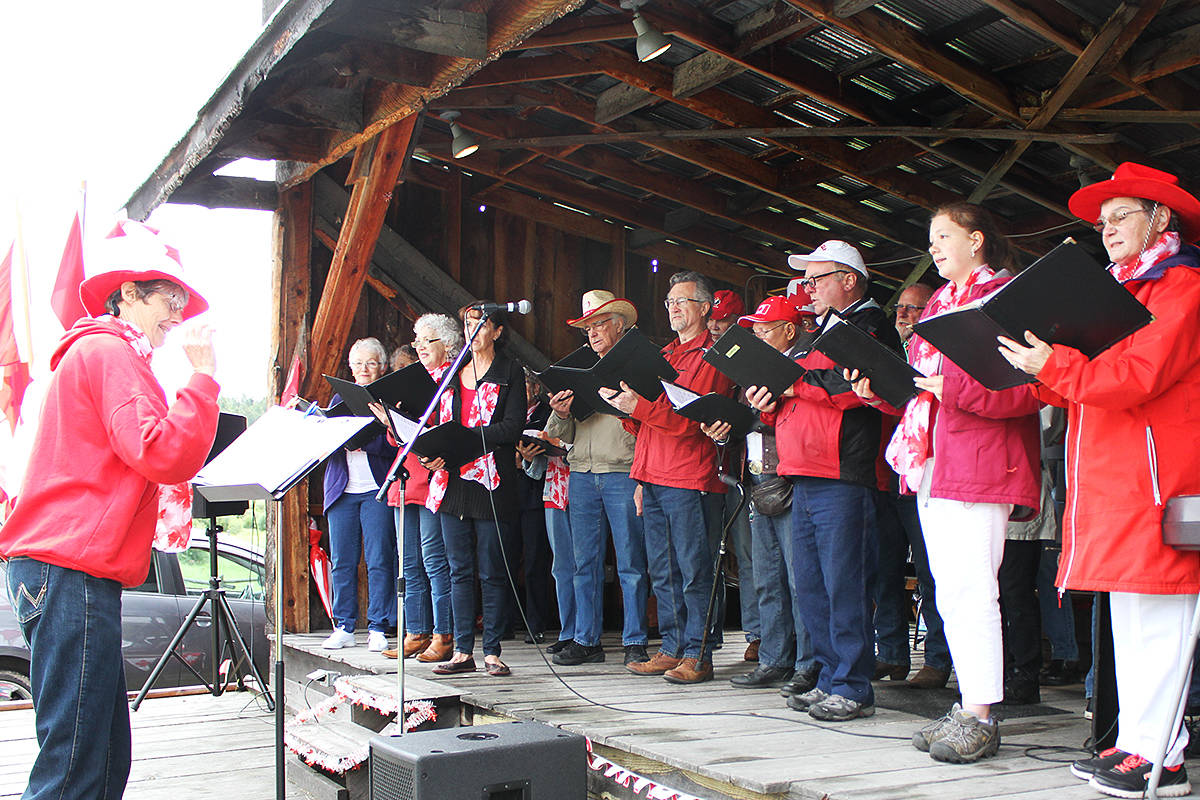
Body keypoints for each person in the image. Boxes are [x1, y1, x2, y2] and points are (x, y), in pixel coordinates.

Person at [999, 162, 1200, 797]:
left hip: (1161, 483)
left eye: (1122, 217)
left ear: (1160, 219)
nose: (1107, 230)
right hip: (1119, 481)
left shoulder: (1183, 286)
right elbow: (1089, 380)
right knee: (1134, 621)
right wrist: (1035, 367)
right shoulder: (1122, 291)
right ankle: (1141, 742)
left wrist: (1052, 363)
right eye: (1101, 221)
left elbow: (1136, 376)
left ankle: (1160, 754)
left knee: (1161, 621)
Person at [0, 219, 219, 800]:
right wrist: (203, 380)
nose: (177, 312)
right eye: (168, 298)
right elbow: (160, 450)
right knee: (76, 763)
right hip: (67, 567)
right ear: (128, 294)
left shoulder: (99, 351)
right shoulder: (109, 350)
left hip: (62, 567)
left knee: (98, 756)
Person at [850, 205, 1041, 762]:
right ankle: (967, 704)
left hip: (982, 460)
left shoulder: (1004, 298)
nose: (932, 247)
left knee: (972, 589)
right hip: (934, 457)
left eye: (943, 236)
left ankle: (981, 713)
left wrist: (946, 387)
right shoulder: (939, 301)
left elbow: (1026, 390)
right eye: (930, 238)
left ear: (976, 239)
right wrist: (880, 390)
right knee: (952, 590)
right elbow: (921, 387)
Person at [746, 240, 897, 722]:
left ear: (849, 279)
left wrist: (792, 387)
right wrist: (771, 401)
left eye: (817, 278)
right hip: (803, 471)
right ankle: (831, 676)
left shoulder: (870, 324)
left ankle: (853, 684)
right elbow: (812, 388)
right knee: (810, 583)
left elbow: (860, 387)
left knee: (842, 581)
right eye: (807, 280)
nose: (807, 288)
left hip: (843, 472)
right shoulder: (821, 331)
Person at [610, 271, 734, 684]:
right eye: (669, 302)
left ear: (705, 307)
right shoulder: (663, 354)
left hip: (691, 475)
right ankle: (671, 646)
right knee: (662, 570)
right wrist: (640, 475)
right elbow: (649, 425)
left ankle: (698, 653)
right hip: (656, 474)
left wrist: (639, 408)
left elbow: (690, 421)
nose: (674, 307)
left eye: (682, 300)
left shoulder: (712, 355)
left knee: (694, 569)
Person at [704, 295, 819, 693]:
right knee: (768, 578)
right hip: (756, 479)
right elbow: (749, 422)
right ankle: (774, 658)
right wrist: (725, 428)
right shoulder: (753, 369)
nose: (755, 337)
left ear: (789, 330)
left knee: (798, 577)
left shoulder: (803, 365)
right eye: (753, 331)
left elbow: (799, 419)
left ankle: (808, 664)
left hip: (791, 480)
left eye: (763, 330)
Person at [544, 290, 650, 667]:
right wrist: (560, 412)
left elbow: (649, 424)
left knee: (630, 563)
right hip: (582, 473)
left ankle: (635, 640)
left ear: (620, 326)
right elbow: (565, 435)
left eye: (600, 323)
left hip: (622, 471)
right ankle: (587, 640)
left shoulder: (638, 368)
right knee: (582, 562)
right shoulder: (580, 371)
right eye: (588, 326)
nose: (592, 331)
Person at [425, 303, 527, 678]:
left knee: (492, 570)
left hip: (492, 482)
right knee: (458, 569)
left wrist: (468, 439)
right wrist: (433, 455)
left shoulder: (510, 371)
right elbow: (436, 424)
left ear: (498, 332)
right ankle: (463, 649)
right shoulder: (452, 372)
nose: (474, 330)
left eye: (482, 324)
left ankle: (493, 651)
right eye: (468, 323)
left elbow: (513, 427)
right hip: (452, 481)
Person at [873, 280, 951, 690]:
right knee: (883, 569)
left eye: (914, 309)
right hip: (888, 476)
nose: (903, 314)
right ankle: (891, 655)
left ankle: (937, 660)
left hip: (926, 475)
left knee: (928, 570)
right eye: (901, 308)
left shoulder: (938, 357)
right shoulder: (892, 354)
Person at [378, 314, 461, 662]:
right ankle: (416, 630)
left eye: (428, 341)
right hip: (405, 478)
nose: (421, 347)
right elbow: (398, 439)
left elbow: (450, 429)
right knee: (407, 561)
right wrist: (390, 421)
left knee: (433, 560)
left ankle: (444, 634)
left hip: (432, 481)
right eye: (418, 341)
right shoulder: (414, 381)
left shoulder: (452, 381)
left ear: (448, 345)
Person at [322, 338, 399, 652]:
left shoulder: (389, 400)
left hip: (376, 489)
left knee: (379, 559)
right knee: (342, 561)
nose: (364, 369)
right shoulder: (338, 399)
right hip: (342, 490)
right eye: (358, 364)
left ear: (381, 367)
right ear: (351, 368)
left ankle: (378, 626)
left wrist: (363, 442)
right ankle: (344, 625)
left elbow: (397, 444)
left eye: (371, 363)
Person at [706, 288, 756, 660]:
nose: (715, 327)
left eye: (723, 321)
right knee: (707, 556)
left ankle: (756, 634)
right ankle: (709, 633)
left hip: (740, 470)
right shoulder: (704, 360)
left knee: (747, 553)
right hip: (705, 467)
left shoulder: (748, 361)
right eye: (712, 321)